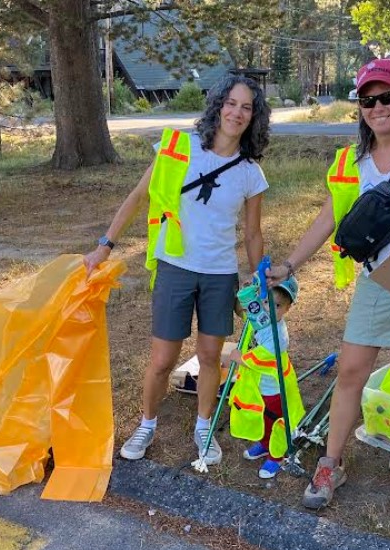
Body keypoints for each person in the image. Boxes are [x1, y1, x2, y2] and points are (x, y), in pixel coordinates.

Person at [267, 58, 390, 507]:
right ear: (359, 107)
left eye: (386, 97)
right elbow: (327, 219)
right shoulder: (351, 161)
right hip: (377, 276)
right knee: (351, 371)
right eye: (367, 100)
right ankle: (330, 463)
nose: (377, 107)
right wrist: (290, 264)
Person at [83, 75, 271, 465]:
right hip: (176, 267)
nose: (237, 113)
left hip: (220, 274)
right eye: (231, 103)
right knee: (162, 360)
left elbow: (253, 234)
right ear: (218, 105)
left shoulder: (250, 172)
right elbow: (138, 196)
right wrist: (105, 246)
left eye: (247, 107)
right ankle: (146, 424)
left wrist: (260, 281)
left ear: (254, 117)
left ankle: (203, 427)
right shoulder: (178, 147)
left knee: (209, 357)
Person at [227, 276, 304, 479]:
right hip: (259, 386)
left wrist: (240, 358)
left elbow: (263, 357)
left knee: (275, 421)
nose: (269, 309)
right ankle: (264, 442)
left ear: (287, 308)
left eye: (277, 305)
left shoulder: (279, 336)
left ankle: (277, 455)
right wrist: (246, 293)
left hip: (274, 389)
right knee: (261, 417)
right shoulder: (260, 319)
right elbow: (244, 310)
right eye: (266, 302)